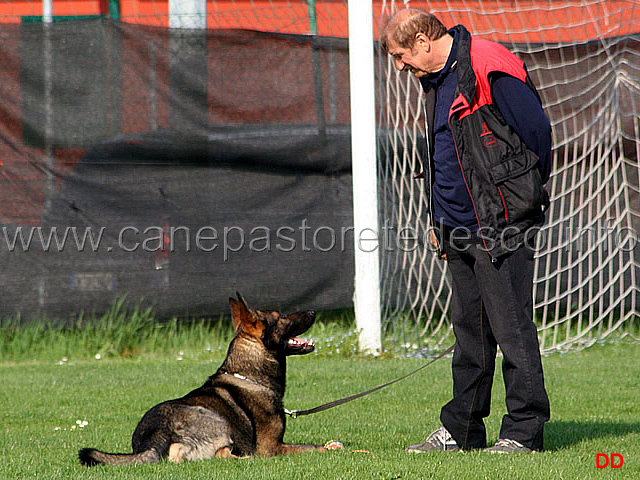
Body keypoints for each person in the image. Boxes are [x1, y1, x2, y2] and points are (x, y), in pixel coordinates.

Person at [381, 9, 551, 453]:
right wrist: (439, 219)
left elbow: (537, 132)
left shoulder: (488, 63)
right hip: (455, 227)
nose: (399, 66)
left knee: (512, 331)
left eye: (400, 55)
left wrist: (519, 201)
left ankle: (523, 432)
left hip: (500, 224)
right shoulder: (433, 81)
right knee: (469, 335)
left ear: (421, 40)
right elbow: (443, 155)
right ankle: (462, 430)